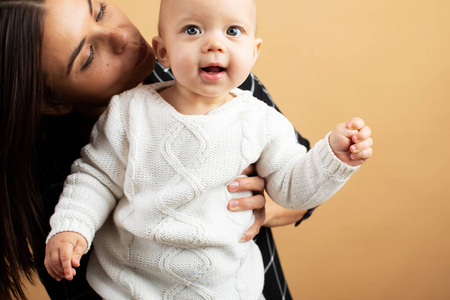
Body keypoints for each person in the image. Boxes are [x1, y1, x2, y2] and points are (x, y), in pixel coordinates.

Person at [43, 0, 373, 299]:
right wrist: (71, 227)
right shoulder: (128, 113)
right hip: (129, 289)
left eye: (233, 31)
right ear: (164, 51)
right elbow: (95, 177)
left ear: (254, 51)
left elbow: (293, 189)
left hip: (230, 290)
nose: (214, 44)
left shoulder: (260, 119)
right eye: (192, 30)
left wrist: (332, 156)